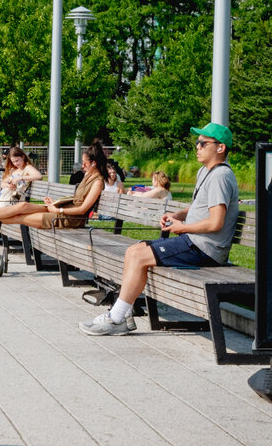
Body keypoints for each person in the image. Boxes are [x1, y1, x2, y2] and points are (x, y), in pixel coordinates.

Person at [79, 122, 238, 336]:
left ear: (220, 148)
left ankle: (116, 318)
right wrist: (177, 216)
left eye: (203, 143)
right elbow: (198, 208)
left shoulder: (221, 176)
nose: (197, 146)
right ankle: (124, 314)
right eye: (197, 142)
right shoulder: (205, 172)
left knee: (138, 257)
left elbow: (216, 222)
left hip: (205, 248)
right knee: (133, 251)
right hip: (194, 242)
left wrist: (183, 227)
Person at [0, 140, 107, 230]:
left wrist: (58, 210)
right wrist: (55, 203)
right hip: (62, 210)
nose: (82, 166)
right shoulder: (88, 176)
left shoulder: (97, 182)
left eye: (85, 163)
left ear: (94, 163)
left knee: (20, 217)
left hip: (70, 219)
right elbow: (76, 199)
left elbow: (82, 209)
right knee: (22, 206)